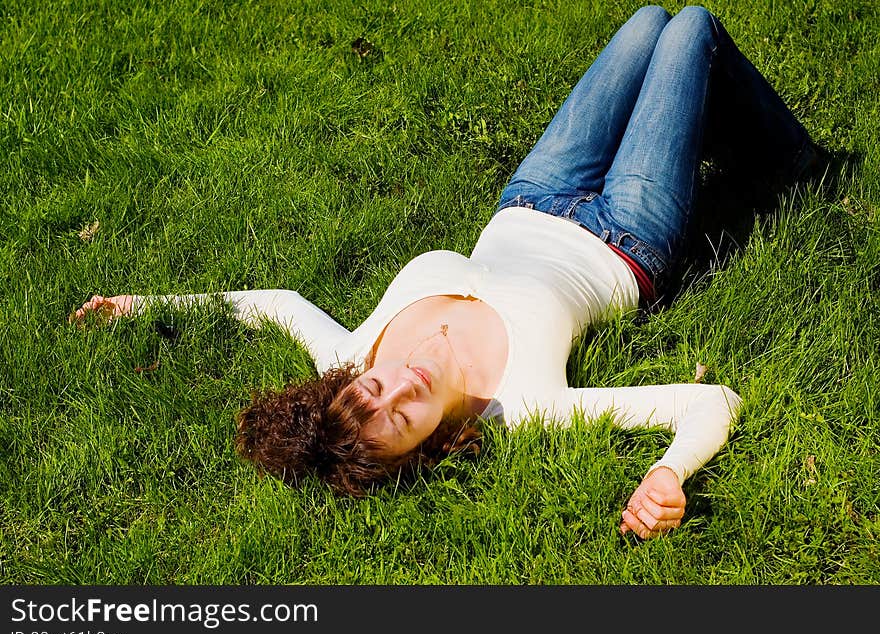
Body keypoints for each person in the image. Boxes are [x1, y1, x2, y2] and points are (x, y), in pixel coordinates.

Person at [72, 5, 821, 539]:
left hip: (533, 195)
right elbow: (711, 399)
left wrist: (136, 302)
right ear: (428, 445)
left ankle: (723, 127)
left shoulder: (353, 352)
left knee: (647, 22)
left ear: (348, 384)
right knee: (690, 28)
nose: (399, 387)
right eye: (400, 418)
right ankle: (791, 159)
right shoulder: (523, 406)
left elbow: (276, 301)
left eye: (372, 391)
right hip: (628, 234)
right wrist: (668, 473)